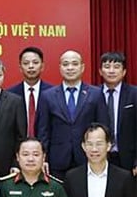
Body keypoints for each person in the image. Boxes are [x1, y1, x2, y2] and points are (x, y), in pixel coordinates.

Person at [36, 50, 109, 180]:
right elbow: (43, 130)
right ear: (60, 67)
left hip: (88, 157)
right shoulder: (48, 96)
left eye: (74, 64)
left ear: (82, 67)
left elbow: (103, 126)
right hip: (57, 160)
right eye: (65, 64)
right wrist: (43, 157)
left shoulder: (96, 94)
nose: (70, 68)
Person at [97, 52, 137, 175]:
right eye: (107, 67)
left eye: (116, 66)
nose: (111, 71)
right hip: (100, 158)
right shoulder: (93, 94)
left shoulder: (134, 94)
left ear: (124, 71)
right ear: (100, 71)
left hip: (128, 159)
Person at [7, 47, 53, 138]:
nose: (31, 66)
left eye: (35, 63)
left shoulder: (53, 93)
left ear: (42, 66)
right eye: (26, 63)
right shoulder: (10, 94)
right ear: (20, 67)